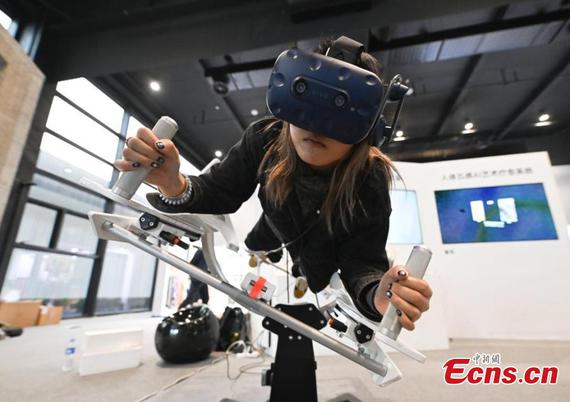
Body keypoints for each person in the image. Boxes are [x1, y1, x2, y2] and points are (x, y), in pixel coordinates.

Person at [114, 39, 433, 331]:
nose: (316, 125)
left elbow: (361, 263)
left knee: (313, 274)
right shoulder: (266, 138)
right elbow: (222, 190)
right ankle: (262, 249)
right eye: (310, 101)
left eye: (339, 111)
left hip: (325, 255)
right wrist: (173, 183)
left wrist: (379, 294)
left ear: (370, 125)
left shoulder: (369, 177)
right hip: (275, 219)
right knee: (257, 242)